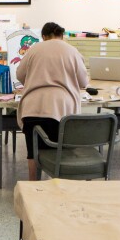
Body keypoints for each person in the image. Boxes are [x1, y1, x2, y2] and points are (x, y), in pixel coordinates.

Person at [16, 22, 89, 181]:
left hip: (32, 107)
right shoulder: (72, 51)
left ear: (43, 36)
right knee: (60, 149)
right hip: (61, 109)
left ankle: (33, 186)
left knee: (32, 151)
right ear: (61, 36)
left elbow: (20, 75)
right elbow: (83, 82)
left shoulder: (34, 49)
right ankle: (58, 185)